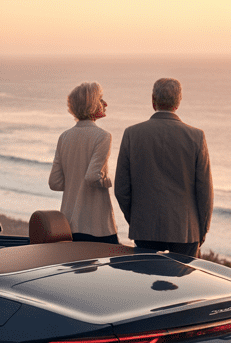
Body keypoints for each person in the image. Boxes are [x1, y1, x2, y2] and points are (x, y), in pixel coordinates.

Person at [114, 78, 213, 257]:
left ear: (153, 100)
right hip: (185, 230)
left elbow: (121, 189)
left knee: (145, 283)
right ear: (178, 102)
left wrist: (136, 219)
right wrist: (202, 230)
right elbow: (204, 192)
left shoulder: (132, 134)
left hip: (145, 227)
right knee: (185, 284)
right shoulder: (196, 137)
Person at [48, 82, 119, 244]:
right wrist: (107, 181)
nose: (105, 104)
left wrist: (75, 182)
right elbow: (92, 177)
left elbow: (55, 183)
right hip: (97, 225)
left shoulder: (64, 137)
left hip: (68, 224)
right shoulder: (102, 136)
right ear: (92, 104)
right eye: (101, 100)